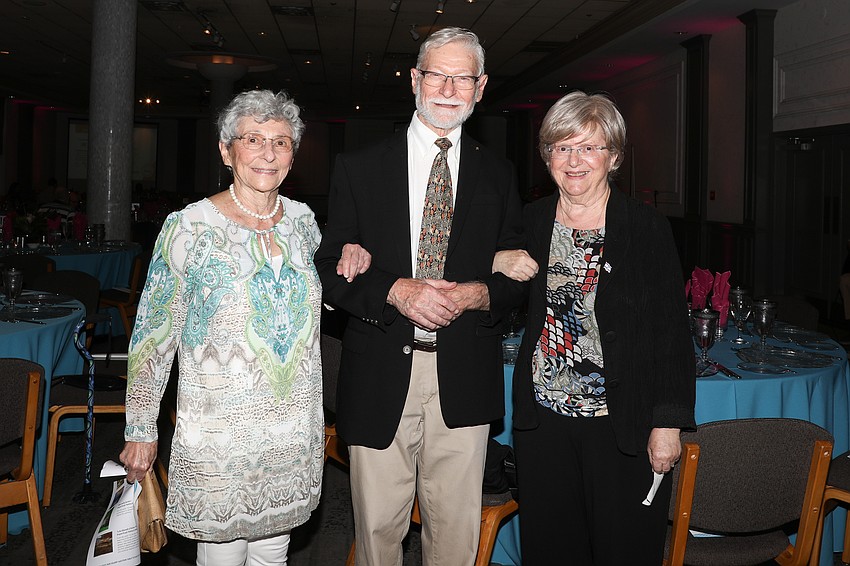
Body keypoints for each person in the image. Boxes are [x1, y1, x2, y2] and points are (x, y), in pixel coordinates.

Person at [119, 89, 368, 565]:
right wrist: (141, 429)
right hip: (218, 438)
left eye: (281, 141)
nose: (268, 153)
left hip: (291, 433)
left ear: (294, 154)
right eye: (252, 139)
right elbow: (154, 334)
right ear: (225, 150)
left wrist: (353, 257)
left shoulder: (305, 223)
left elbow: (327, 302)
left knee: (275, 554)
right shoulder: (189, 226)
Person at [315, 27, 526, 565]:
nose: (448, 88)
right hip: (380, 370)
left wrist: (480, 293)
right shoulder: (359, 167)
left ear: (481, 88)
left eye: (462, 78)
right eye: (437, 74)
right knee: (377, 534)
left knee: (454, 538)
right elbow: (331, 268)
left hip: (465, 376)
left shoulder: (499, 175)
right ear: (415, 80)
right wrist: (393, 289)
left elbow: (517, 275)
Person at [493, 90, 695, 565]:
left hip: (620, 423)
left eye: (590, 147)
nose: (574, 160)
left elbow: (670, 331)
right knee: (552, 548)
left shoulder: (645, 228)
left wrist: (666, 422)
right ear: (547, 157)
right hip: (544, 422)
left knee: (622, 548)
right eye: (562, 147)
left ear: (614, 157)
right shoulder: (531, 220)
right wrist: (495, 258)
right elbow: (493, 291)